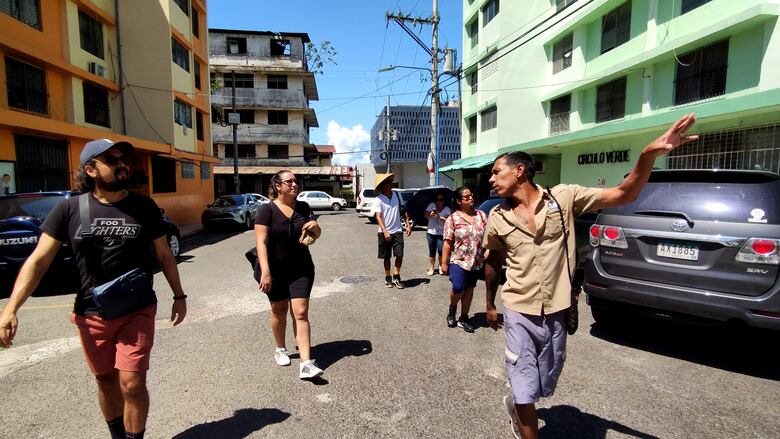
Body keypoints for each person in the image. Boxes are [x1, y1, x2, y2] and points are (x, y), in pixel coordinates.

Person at [482, 114, 698, 439]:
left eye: (496, 171)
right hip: (518, 310)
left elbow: (624, 194)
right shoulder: (496, 218)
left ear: (520, 170)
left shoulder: (564, 197)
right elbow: (493, 262)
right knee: (524, 383)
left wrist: (647, 155)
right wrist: (489, 303)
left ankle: (516, 403)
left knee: (543, 382)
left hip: (556, 310)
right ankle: (522, 409)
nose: (491, 179)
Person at [0, 138, 187, 439]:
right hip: (91, 313)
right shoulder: (69, 209)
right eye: (111, 160)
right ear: (90, 169)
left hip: (137, 308)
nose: (122, 164)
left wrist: (179, 296)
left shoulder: (144, 207)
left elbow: (165, 254)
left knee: (132, 383)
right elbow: (38, 262)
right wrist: (10, 308)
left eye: (123, 159)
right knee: (106, 381)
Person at [254, 170, 323, 379]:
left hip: (301, 267)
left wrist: (315, 227)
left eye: (296, 181)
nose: (294, 184)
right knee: (279, 311)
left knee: (300, 313)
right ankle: (280, 348)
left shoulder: (303, 207)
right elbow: (261, 242)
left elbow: (316, 234)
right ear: (277, 185)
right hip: (273, 269)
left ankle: (306, 364)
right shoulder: (267, 210)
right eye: (289, 181)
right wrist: (265, 271)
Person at [440, 187, 488, 333]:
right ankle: (452, 308)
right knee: (459, 287)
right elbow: (447, 242)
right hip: (458, 260)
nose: (471, 198)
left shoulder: (481, 215)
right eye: (466, 197)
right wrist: (444, 262)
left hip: (476, 260)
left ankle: (464, 317)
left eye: (471, 195)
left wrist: (489, 249)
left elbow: (488, 235)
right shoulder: (452, 218)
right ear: (459, 201)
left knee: (470, 289)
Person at [371, 173, 411, 288]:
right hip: (384, 232)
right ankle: (388, 276)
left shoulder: (397, 195)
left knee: (399, 254)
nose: (391, 184)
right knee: (386, 257)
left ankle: (396, 275)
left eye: (391, 182)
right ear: (383, 186)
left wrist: (408, 225)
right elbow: (378, 217)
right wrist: (385, 231)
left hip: (397, 230)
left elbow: (403, 211)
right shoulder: (379, 199)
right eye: (388, 182)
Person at [424, 193, 451, 276]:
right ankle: (431, 268)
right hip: (431, 232)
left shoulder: (447, 209)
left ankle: (440, 265)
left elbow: (448, 220)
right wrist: (430, 214)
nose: (439, 202)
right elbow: (425, 215)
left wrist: (439, 217)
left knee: (440, 250)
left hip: (442, 233)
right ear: (435, 200)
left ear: (444, 201)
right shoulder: (432, 205)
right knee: (432, 251)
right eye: (438, 200)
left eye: (441, 200)